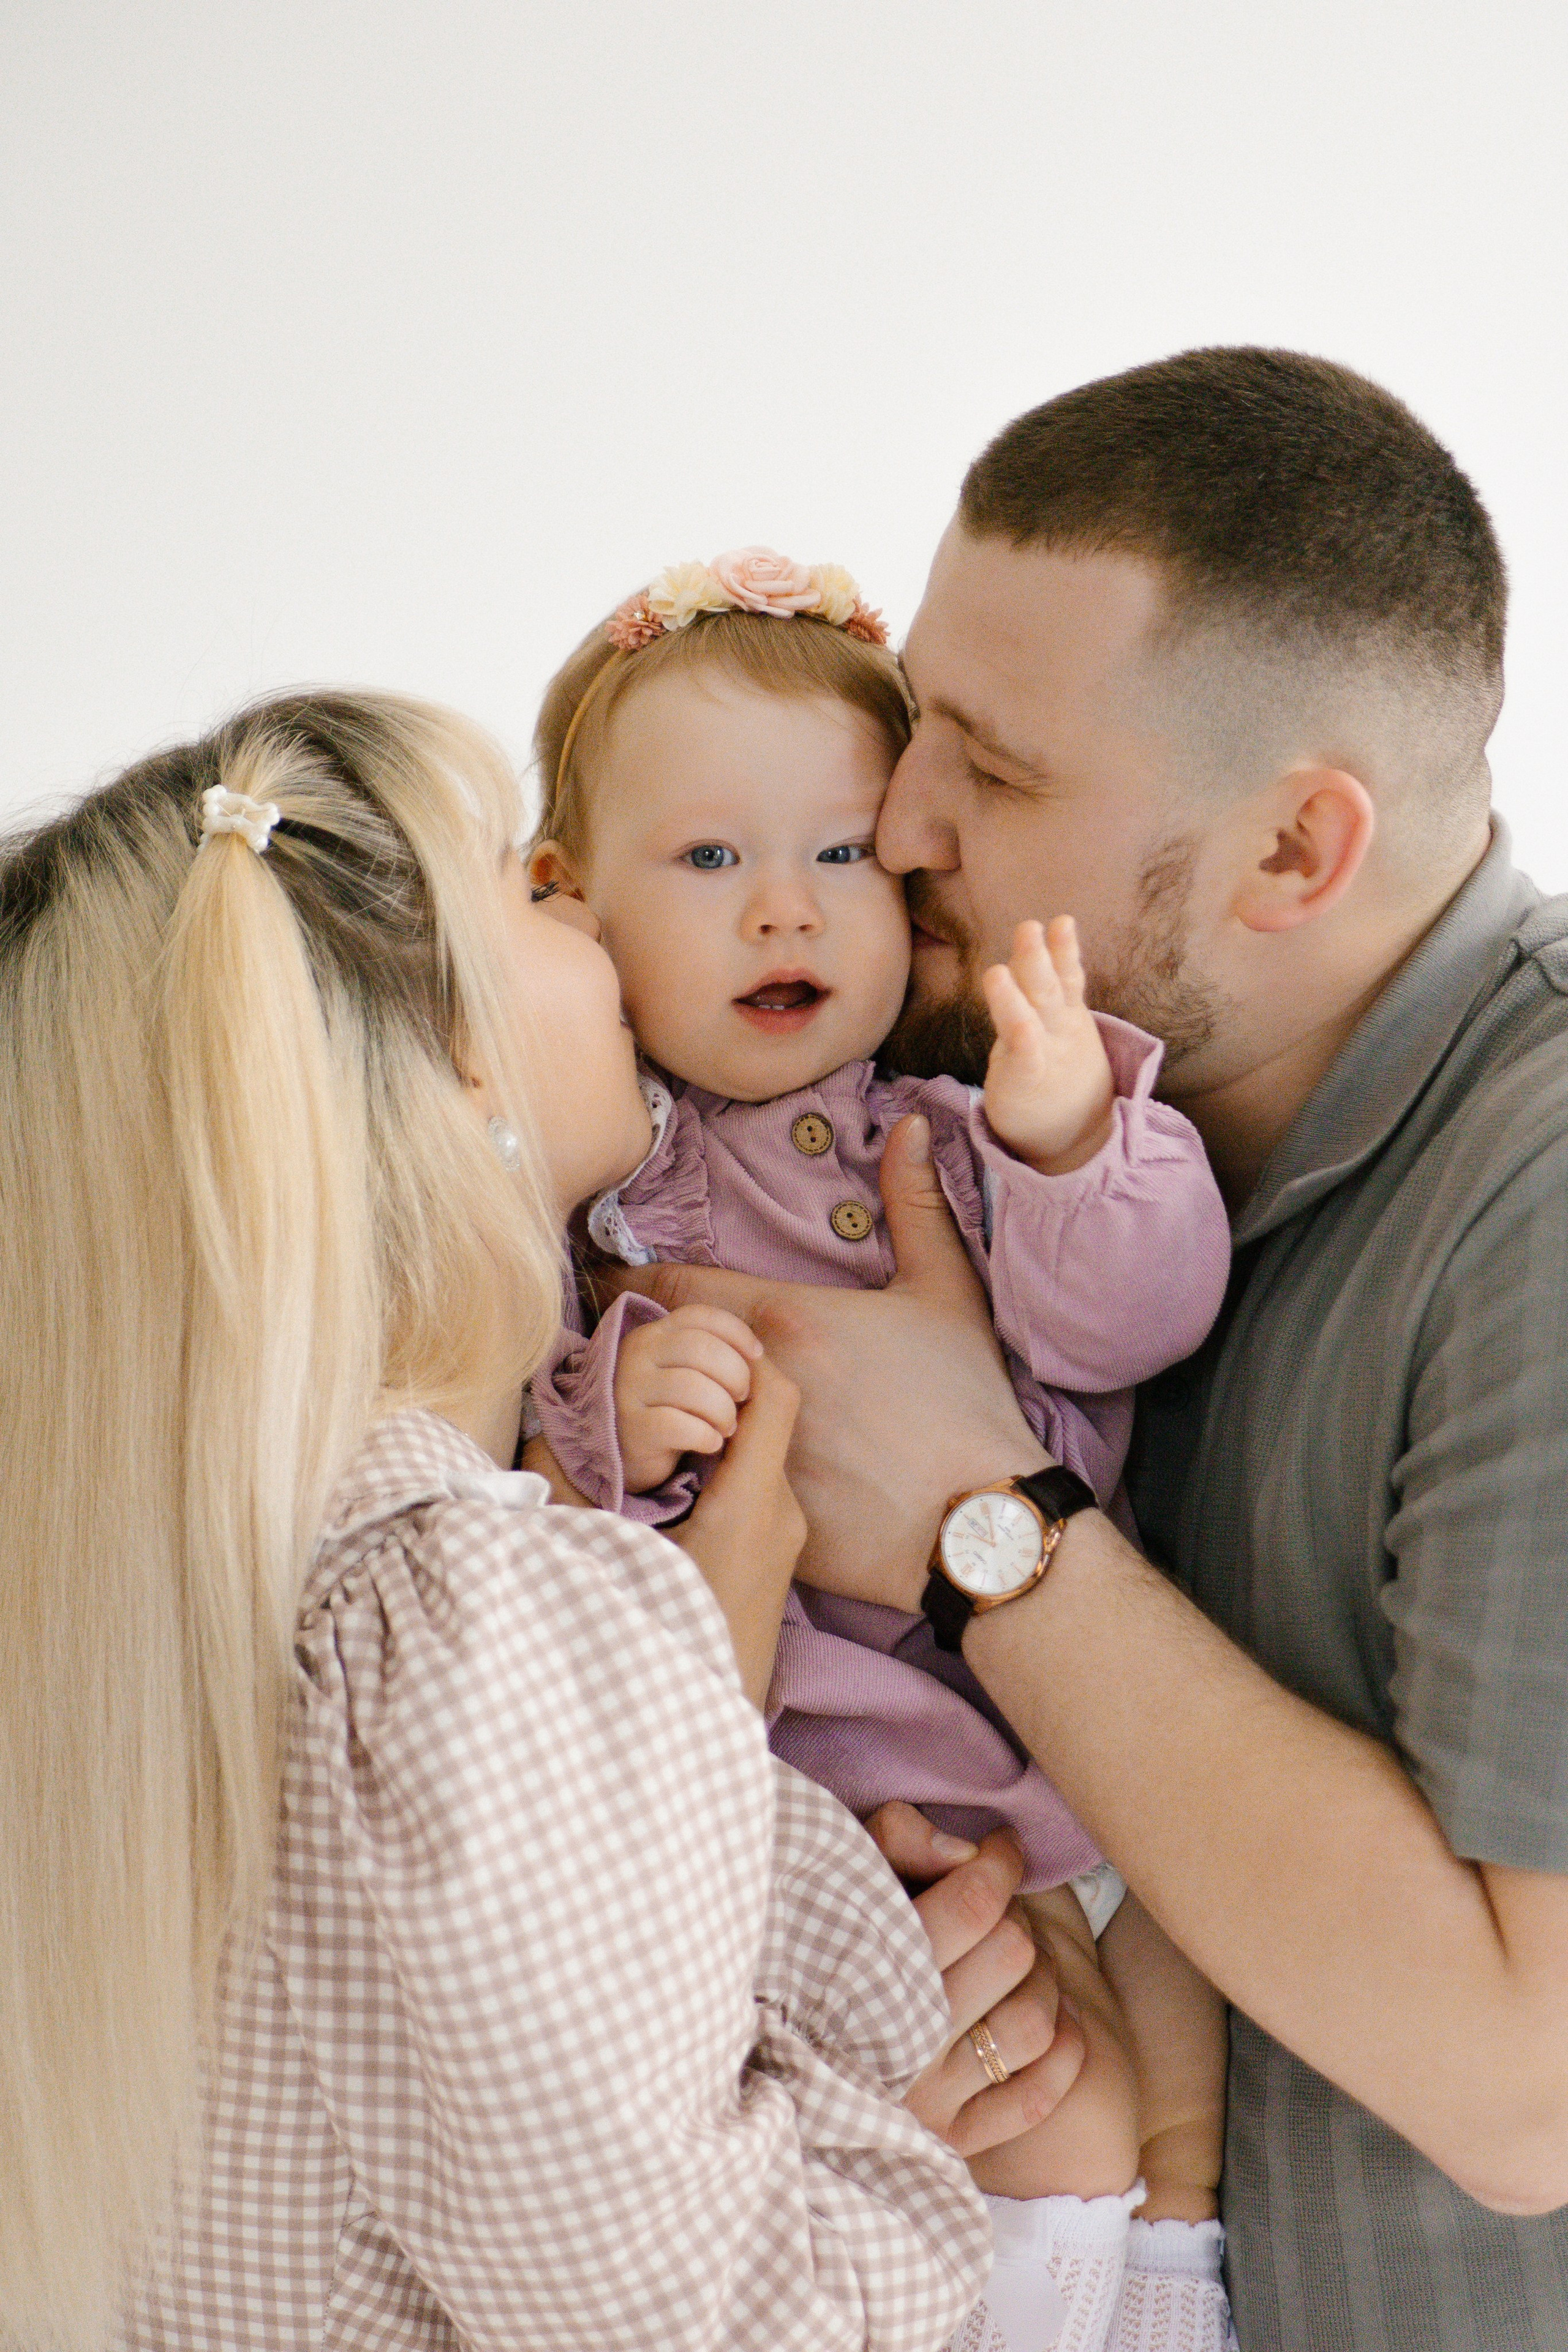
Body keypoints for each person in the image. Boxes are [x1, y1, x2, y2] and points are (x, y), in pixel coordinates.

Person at [0, 688, 1222, 2352]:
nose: (587, 917)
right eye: (527, 891)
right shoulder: (472, 1600)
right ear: (462, 1060)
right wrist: (880, 2114)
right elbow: (692, 2316)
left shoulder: (156, 1598)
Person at [597, 349, 1568, 2352]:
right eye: (918, 728)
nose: (904, 824)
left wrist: (986, 1519)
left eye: (1000, 772)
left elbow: (1525, 2081)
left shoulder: (1537, 1201)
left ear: (1297, 854)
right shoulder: (987, 1121)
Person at [523, 545, 1235, 2232]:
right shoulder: (594, 1187)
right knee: (1001, 2119)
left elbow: (1137, 1320)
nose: (786, 906)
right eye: (709, 857)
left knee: (1142, 2110)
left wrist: (1070, 1139)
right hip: (799, 1809)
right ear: (570, 896)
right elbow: (520, 1480)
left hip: (1056, 1742)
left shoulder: (955, 1126)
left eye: (841, 850)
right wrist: (607, 1420)